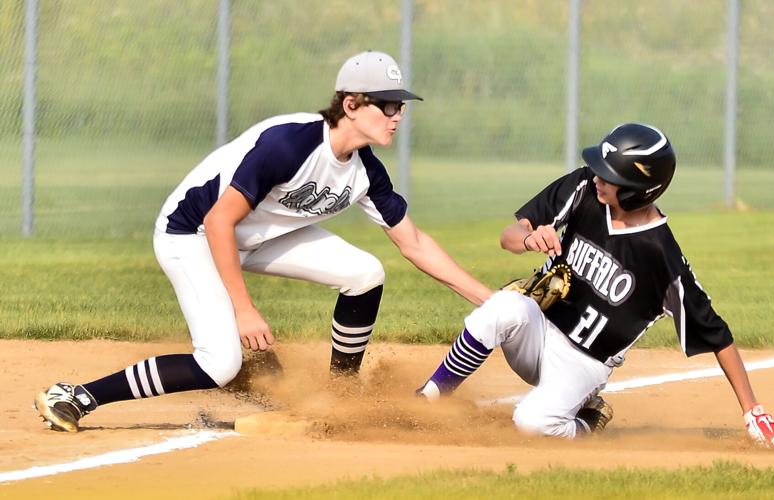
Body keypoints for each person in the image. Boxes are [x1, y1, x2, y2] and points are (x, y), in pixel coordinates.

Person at [34, 50, 492, 432]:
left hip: (257, 237)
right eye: (387, 105)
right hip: (192, 232)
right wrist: (244, 308)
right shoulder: (289, 144)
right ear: (351, 105)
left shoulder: (364, 169)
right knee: (219, 363)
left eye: (401, 106)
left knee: (365, 274)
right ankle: (79, 395)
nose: (397, 116)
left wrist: (485, 299)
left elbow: (413, 242)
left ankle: (340, 397)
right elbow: (218, 223)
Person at [416, 123, 774, 449]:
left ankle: (588, 420)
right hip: (538, 334)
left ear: (638, 190)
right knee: (504, 307)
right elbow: (510, 235)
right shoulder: (584, 188)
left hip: (584, 366)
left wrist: (753, 410)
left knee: (531, 423)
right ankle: (431, 397)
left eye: (610, 177)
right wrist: (528, 238)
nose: (597, 177)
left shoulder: (661, 256)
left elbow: (717, 334)